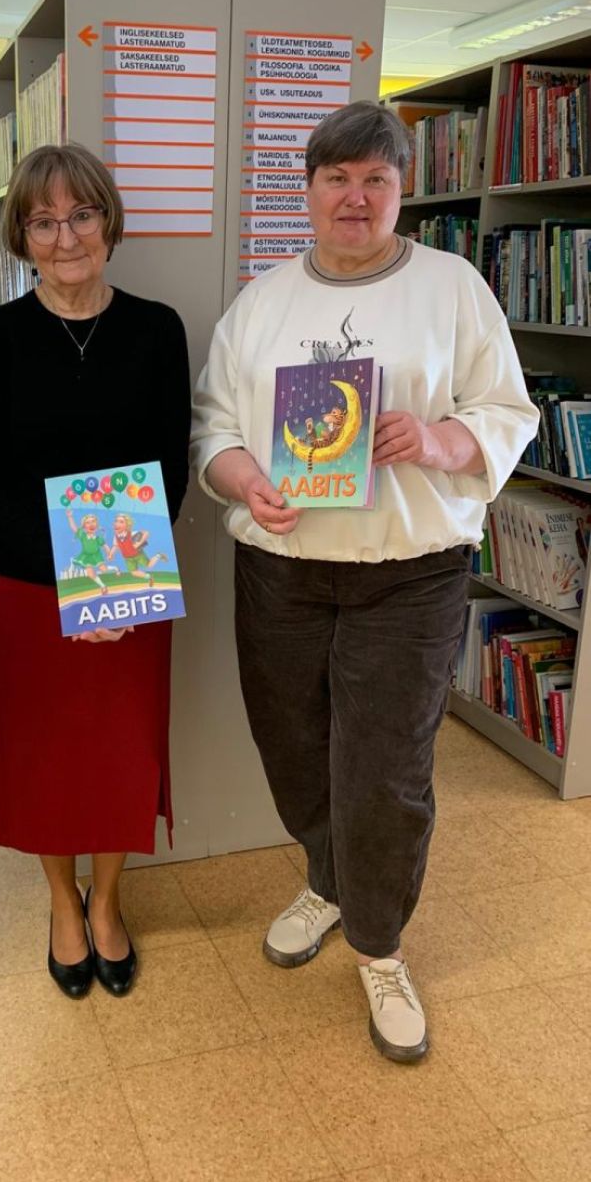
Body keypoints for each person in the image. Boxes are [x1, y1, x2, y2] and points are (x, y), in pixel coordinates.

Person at [191, 101, 539, 1062]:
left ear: (400, 190)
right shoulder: (261, 302)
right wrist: (244, 481)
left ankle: (379, 946)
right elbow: (213, 427)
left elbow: (506, 411)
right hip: (280, 571)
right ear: (305, 191)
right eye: (336, 179)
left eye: (374, 180)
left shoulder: (452, 287)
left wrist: (435, 439)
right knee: (293, 747)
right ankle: (328, 881)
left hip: (408, 573)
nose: (355, 197)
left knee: (383, 768)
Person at [0, 143, 190, 999]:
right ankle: (62, 902)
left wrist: (114, 585)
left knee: (123, 748)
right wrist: (77, 577)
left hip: (134, 579)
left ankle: (108, 900)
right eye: (43, 222)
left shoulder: (157, 328)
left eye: (81, 214)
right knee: (45, 754)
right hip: (30, 581)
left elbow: (169, 464)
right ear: (21, 236)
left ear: (108, 222)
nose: (66, 237)